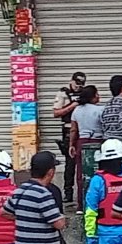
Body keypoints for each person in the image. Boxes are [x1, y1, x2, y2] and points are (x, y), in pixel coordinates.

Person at [53, 72, 87, 206]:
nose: (78, 87)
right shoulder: (63, 93)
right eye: (77, 84)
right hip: (68, 129)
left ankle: (83, 193)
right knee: (70, 163)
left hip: (83, 129)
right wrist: (71, 106)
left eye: (81, 85)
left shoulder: (85, 92)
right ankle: (68, 193)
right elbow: (56, 112)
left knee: (84, 163)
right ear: (71, 81)